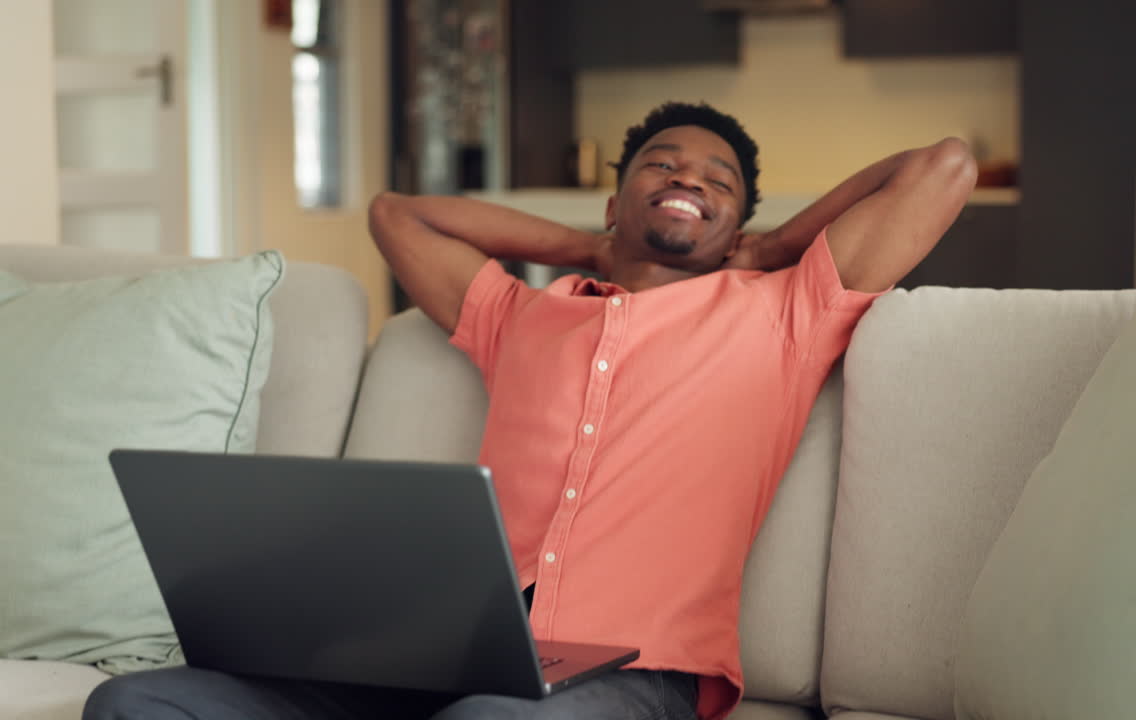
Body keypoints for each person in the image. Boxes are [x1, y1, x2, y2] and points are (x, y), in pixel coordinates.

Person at [84, 101, 975, 720]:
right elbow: (398, 216)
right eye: (660, 166)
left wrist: (779, 245)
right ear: (615, 194)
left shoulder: (783, 312)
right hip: (442, 656)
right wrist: (593, 244)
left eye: (720, 181)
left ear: (743, 221)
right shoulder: (520, 317)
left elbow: (944, 166)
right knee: (135, 700)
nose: (687, 179)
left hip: (636, 676)